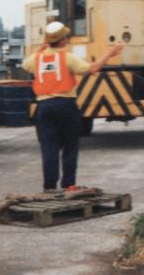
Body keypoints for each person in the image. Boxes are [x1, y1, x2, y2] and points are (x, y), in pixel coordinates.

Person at [22, 21, 123, 192]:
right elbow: (92, 69)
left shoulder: (36, 59)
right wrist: (109, 53)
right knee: (70, 145)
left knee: (49, 147)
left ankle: (49, 187)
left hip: (44, 107)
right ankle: (68, 184)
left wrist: (41, 49)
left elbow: (25, 65)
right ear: (62, 41)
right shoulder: (67, 58)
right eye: (66, 38)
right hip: (66, 106)